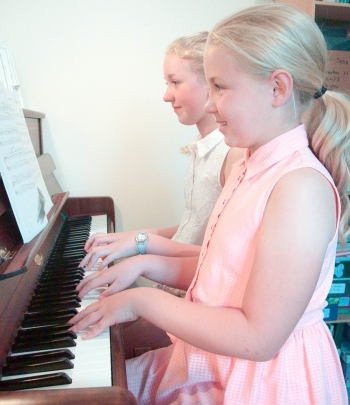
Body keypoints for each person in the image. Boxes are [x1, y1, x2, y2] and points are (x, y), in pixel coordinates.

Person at [70, 3, 350, 404]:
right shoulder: (249, 165)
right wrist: (142, 267)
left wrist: (142, 299)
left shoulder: (299, 187)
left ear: (278, 88)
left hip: (262, 380)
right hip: (216, 360)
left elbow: (258, 339)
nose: (211, 102)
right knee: (98, 387)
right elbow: (221, 272)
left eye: (220, 87)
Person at [79, 31, 245, 275]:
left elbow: (225, 255)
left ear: (210, 84)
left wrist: (142, 245)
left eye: (175, 82)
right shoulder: (201, 146)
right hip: (179, 272)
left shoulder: (232, 154)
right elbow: (194, 228)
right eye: (166, 83)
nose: (166, 95)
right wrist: (129, 236)